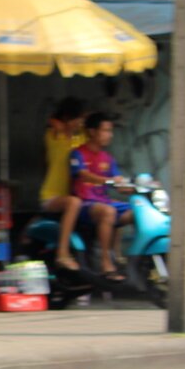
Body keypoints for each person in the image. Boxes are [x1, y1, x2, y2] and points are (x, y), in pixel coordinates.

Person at [70, 112, 132, 280]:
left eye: (110, 131)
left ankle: (122, 256)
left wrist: (134, 187)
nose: (109, 135)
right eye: (105, 130)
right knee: (109, 212)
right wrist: (109, 180)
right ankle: (106, 262)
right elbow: (82, 174)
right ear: (92, 132)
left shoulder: (107, 158)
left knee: (136, 212)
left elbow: (119, 184)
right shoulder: (78, 154)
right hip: (85, 204)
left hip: (104, 201)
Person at [38, 97, 86, 271]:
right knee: (74, 202)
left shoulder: (80, 139)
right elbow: (53, 122)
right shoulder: (54, 137)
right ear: (66, 119)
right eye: (77, 119)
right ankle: (62, 253)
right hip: (51, 196)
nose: (80, 123)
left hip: (75, 194)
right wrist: (61, 124)